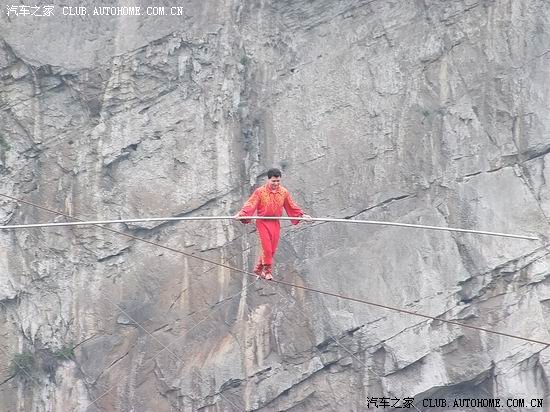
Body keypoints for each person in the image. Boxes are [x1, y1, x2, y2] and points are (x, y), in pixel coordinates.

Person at [235, 168, 312, 280]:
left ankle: (258, 268)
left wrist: (302, 215)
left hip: (275, 222)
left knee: (272, 249)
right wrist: (242, 214)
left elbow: (291, 205)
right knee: (266, 248)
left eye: (278, 181)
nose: (276, 184)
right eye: (273, 181)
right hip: (263, 222)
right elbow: (250, 204)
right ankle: (267, 271)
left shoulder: (284, 192)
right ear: (268, 180)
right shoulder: (260, 192)